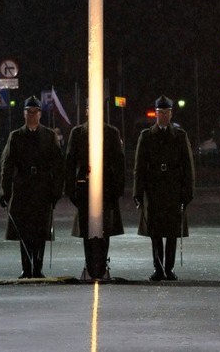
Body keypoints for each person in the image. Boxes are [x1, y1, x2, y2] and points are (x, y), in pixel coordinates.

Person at [0, 96, 63, 278]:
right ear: (24, 114)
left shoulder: (49, 136)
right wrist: (5, 191)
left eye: (35, 112)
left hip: (43, 188)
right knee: (24, 230)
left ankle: (38, 267)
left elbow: (58, 165)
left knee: (41, 230)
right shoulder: (16, 136)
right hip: (23, 188)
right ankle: (26, 267)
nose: (32, 115)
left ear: (40, 114)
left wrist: (56, 191)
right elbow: (7, 165)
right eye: (28, 112)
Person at [133, 95, 194, 282]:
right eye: (160, 113)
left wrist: (187, 192)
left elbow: (187, 166)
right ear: (156, 114)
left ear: (171, 113)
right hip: (154, 189)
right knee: (156, 232)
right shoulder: (147, 136)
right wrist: (138, 192)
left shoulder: (179, 136)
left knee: (172, 232)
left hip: (173, 188)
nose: (164, 116)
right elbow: (140, 167)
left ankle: (169, 268)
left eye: (166, 113)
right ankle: (158, 268)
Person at [64, 109, 125, 277]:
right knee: (87, 229)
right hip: (84, 188)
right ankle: (90, 264)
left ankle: (101, 264)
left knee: (104, 227)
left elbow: (119, 162)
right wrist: (71, 189)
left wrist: (118, 189)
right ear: (86, 111)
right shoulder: (78, 133)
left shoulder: (111, 133)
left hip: (106, 187)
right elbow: (70, 162)